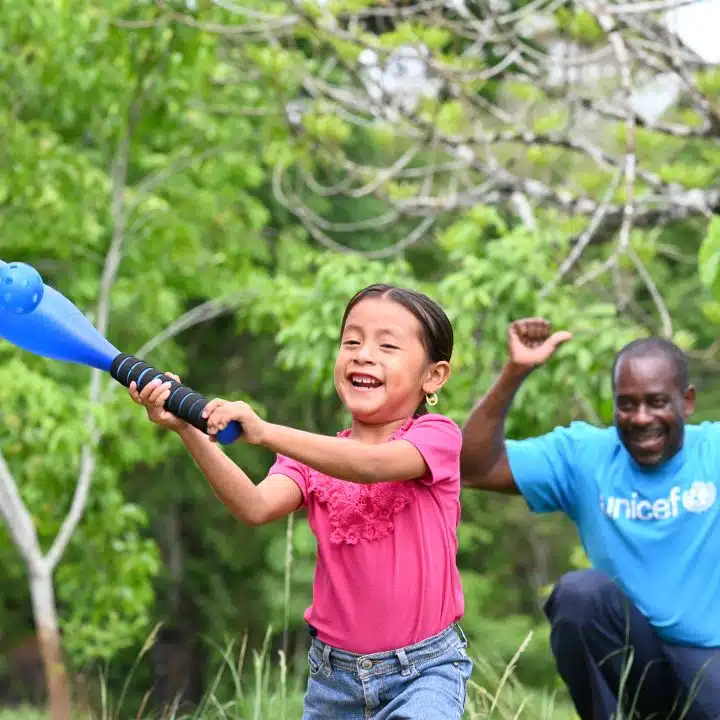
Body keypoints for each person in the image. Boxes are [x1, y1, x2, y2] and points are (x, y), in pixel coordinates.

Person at [128, 284, 472, 720]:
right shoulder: (308, 459)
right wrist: (188, 430)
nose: (364, 354)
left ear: (433, 376)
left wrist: (264, 430)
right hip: (334, 682)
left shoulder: (436, 437)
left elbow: (369, 464)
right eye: (352, 341)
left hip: (424, 672)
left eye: (387, 345)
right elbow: (254, 506)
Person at [460, 317, 720, 720]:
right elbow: (472, 467)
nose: (640, 417)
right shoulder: (585, 456)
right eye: (627, 404)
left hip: (710, 661)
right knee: (579, 595)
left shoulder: (713, 452)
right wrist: (515, 373)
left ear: (685, 402)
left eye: (656, 402)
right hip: (636, 663)